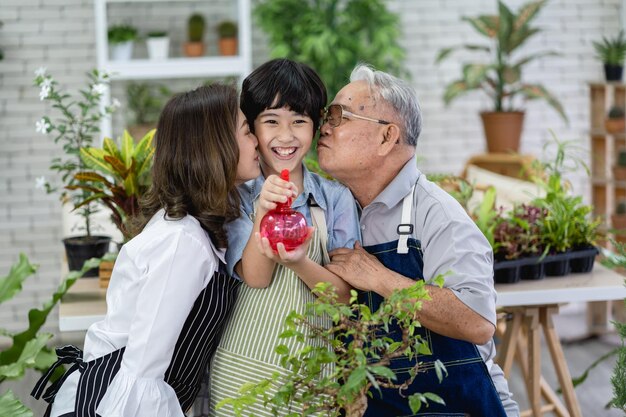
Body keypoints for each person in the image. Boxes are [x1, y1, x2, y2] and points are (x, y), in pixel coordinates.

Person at [31, 84, 261, 417]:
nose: (257, 140)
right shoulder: (183, 242)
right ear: (215, 147)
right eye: (246, 131)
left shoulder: (191, 231)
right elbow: (142, 370)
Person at [319, 64, 520, 417]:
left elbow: (477, 321)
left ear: (387, 137)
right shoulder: (333, 209)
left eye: (340, 115)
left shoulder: (437, 213)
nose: (326, 125)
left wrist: (380, 279)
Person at [208, 58, 360, 416]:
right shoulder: (239, 197)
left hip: (314, 378)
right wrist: (263, 211)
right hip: (242, 375)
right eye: (271, 121)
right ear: (251, 128)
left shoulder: (335, 198)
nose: (286, 136)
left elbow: (344, 298)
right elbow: (256, 278)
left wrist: (299, 262)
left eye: (299, 122)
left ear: (315, 126)